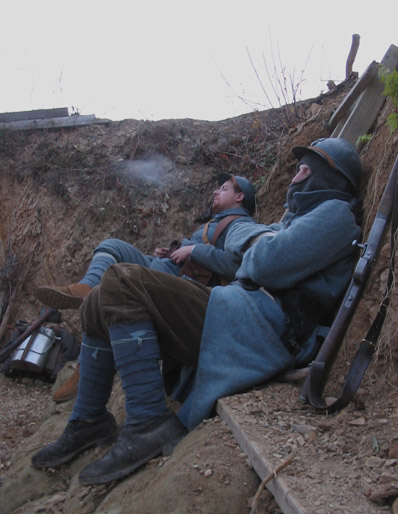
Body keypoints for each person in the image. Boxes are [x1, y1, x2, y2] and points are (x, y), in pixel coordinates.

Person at [31, 137, 362, 487]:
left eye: (307, 169)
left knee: (120, 281)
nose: (297, 176)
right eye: (297, 168)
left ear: (330, 177)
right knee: (98, 299)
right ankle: (88, 420)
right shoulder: (293, 221)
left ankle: (147, 422)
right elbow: (259, 257)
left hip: (261, 327)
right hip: (238, 311)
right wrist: (259, 245)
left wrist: (252, 246)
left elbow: (263, 263)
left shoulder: (336, 215)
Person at [39, 173, 256, 402]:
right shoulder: (213, 224)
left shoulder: (240, 225)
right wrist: (171, 253)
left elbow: (240, 264)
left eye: (223, 188)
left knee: (113, 293)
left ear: (240, 196)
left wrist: (193, 251)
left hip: (179, 289)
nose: (215, 191)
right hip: (165, 270)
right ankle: (86, 286)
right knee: (111, 247)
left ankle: (87, 368)